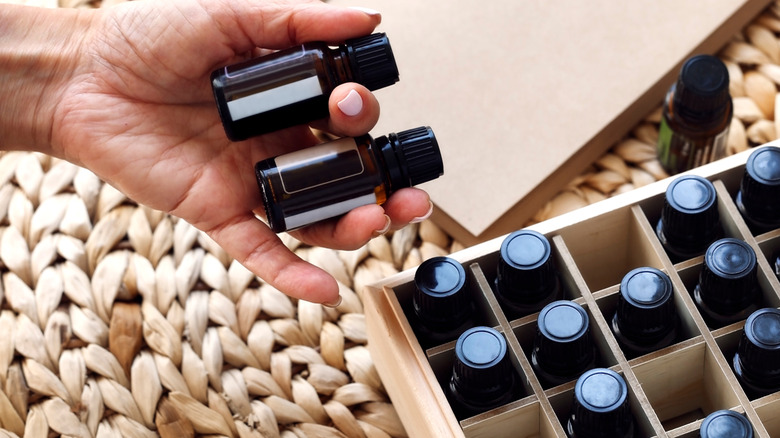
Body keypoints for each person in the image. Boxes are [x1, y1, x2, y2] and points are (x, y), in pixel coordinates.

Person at [0, 0, 433, 306]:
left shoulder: (321, 66)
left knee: (355, 143)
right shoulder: (319, 56)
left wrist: (69, 73)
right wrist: (81, 63)